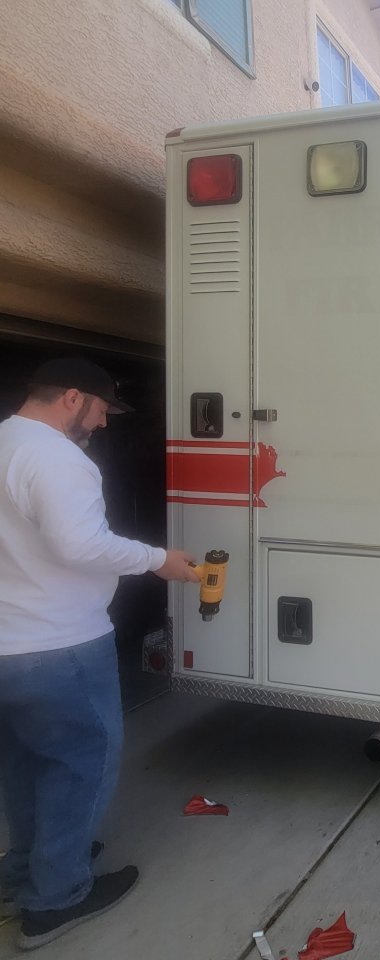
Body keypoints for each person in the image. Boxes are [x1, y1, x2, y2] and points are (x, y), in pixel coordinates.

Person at [0, 357, 200, 951]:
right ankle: (56, 899)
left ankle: (24, 869)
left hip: (7, 645)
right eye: (100, 410)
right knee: (81, 765)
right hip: (59, 645)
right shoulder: (57, 457)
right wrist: (158, 560)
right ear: (71, 397)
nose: (104, 423)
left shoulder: (5, 442)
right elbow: (79, 544)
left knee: (25, 766)